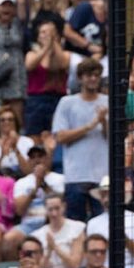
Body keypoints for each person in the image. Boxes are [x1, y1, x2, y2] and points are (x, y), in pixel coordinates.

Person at [51, 57, 108, 221]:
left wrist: (103, 122)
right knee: (76, 225)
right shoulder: (67, 103)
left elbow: (115, 138)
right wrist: (90, 126)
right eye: (89, 75)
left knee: (104, 223)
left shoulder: (108, 102)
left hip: (102, 176)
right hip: (76, 176)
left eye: (97, 75)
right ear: (80, 78)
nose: (93, 79)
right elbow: (60, 136)